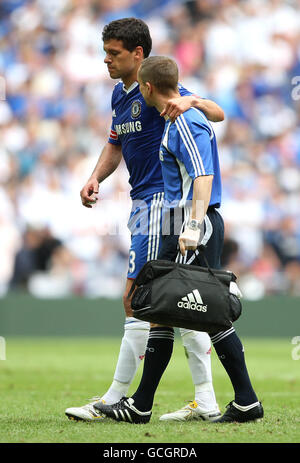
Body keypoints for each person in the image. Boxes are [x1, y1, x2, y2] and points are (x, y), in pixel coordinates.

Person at [65, 18, 225, 422]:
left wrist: (194, 101)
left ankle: (114, 399)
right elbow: (115, 142)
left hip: (161, 206)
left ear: (138, 54)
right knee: (179, 305)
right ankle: (205, 399)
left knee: (139, 301)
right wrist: (94, 177)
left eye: (114, 53)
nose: (107, 60)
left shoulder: (160, 89)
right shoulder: (120, 97)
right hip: (142, 205)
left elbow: (215, 112)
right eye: (105, 53)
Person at [95, 56, 264, 424]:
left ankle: (143, 404)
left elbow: (202, 175)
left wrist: (192, 224)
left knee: (182, 307)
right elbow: (213, 119)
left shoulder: (183, 121)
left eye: (140, 85)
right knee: (181, 309)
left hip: (191, 222)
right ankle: (239, 400)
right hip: (188, 220)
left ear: (148, 87)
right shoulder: (179, 117)